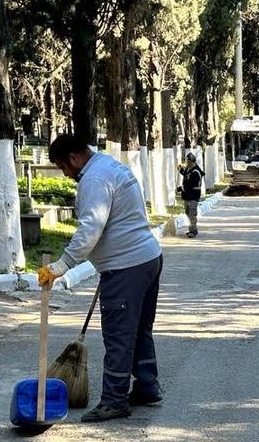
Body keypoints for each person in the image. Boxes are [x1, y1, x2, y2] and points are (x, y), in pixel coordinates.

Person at [38, 133, 165, 423]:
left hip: (126, 267)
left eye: (62, 167)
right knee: (139, 330)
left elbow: (90, 228)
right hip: (147, 259)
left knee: (119, 336)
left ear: (73, 157)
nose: (65, 174)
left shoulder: (93, 179)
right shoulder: (108, 165)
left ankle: (114, 401)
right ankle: (146, 386)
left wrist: (61, 265)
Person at [177, 151, 205, 238]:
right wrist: (180, 169)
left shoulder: (196, 172)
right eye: (186, 162)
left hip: (194, 195)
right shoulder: (188, 169)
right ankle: (191, 229)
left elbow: (190, 184)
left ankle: (193, 230)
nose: (187, 163)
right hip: (187, 195)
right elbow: (185, 174)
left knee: (192, 212)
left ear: (192, 162)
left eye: (188, 162)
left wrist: (180, 189)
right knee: (187, 212)